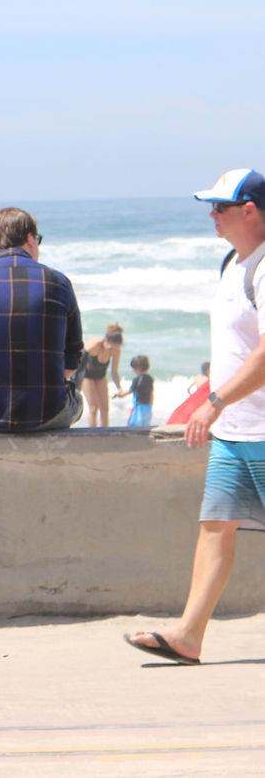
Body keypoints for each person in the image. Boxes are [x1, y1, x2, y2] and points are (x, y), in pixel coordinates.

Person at [126, 168, 265, 665]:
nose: (212, 215)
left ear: (249, 210)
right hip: (236, 431)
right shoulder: (233, 263)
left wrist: (216, 401)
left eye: (219, 207)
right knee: (215, 526)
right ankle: (188, 635)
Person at [0, 207, 84, 432]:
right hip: (48, 413)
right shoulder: (58, 282)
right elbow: (73, 357)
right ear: (30, 238)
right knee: (77, 398)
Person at [80, 324, 124, 426]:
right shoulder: (95, 344)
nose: (112, 350)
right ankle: (92, 436)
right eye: (111, 347)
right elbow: (79, 358)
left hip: (100, 375)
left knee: (105, 408)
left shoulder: (116, 351)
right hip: (86, 375)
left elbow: (114, 372)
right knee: (93, 407)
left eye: (116, 348)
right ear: (105, 340)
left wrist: (119, 388)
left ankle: (105, 434)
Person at [114, 354, 153, 427]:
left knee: (134, 423)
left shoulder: (137, 379)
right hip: (147, 405)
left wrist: (121, 395)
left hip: (139, 405)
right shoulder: (149, 379)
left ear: (137, 368)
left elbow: (130, 390)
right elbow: (151, 393)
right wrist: (150, 405)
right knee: (145, 423)